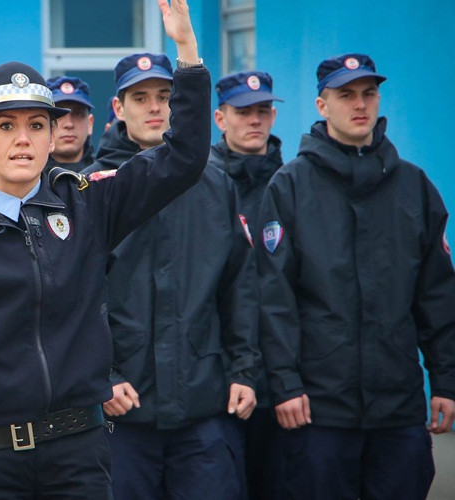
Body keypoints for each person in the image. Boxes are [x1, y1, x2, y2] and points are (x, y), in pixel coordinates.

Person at [0, 1, 209, 498]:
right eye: (5, 127)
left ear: (53, 137)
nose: (22, 140)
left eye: (35, 126)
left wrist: (187, 52)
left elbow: (183, 158)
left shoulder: (88, 204)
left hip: (78, 456)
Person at [258, 53, 455, 500]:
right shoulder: (289, 187)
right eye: (345, 95)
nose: (360, 104)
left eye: (368, 93)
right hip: (319, 411)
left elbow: (437, 296)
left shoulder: (414, 186)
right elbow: (274, 298)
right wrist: (285, 383)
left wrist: (446, 381)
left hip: (398, 409)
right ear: (322, 105)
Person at [83, 52, 259, 500]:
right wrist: (102, 375)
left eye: (165, 96)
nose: (155, 106)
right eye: (140, 97)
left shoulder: (215, 184)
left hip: (203, 410)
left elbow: (238, 286)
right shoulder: (88, 187)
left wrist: (244, 370)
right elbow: (74, 299)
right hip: (121, 414)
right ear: (118, 109)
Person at [208, 70, 284, 500]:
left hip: (282, 383)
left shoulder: (292, 183)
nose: (254, 120)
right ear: (220, 118)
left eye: (262, 110)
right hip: (221, 381)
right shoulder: (200, 185)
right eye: (242, 112)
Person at [44, 76, 94, 171]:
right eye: (59, 114)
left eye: (78, 114)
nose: (69, 124)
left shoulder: (106, 178)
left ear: (90, 124)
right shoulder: (31, 180)